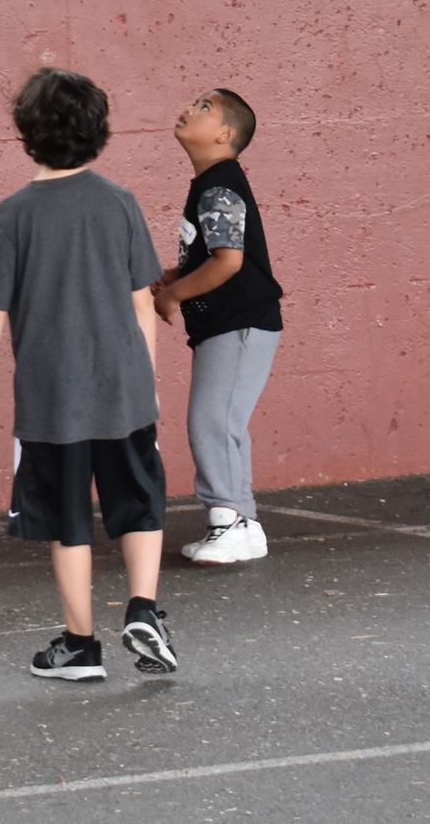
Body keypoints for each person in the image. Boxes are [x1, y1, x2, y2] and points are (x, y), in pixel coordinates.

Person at [0, 70, 176, 681]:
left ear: (26, 134)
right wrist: (148, 381)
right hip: (124, 389)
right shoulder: (121, 203)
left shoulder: (13, 216)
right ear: (99, 132)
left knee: (67, 517)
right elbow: (143, 304)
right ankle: (144, 608)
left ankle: (80, 645)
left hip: (54, 400)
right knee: (138, 500)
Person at [152, 88, 284, 565]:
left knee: (212, 419)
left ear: (226, 135)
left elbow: (229, 262)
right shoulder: (211, 183)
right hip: (232, 325)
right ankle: (241, 523)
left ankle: (228, 520)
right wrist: (178, 276)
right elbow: (216, 254)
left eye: (205, 108)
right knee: (222, 420)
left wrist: (173, 294)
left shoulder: (218, 184)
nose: (189, 108)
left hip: (240, 323)